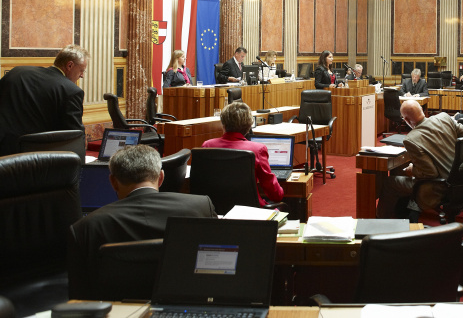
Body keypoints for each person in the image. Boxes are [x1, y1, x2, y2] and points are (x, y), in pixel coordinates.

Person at [68, 145, 217, 299]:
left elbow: (79, 297)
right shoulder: (201, 206)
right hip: (186, 305)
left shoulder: (86, 227)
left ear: (113, 182)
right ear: (161, 177)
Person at [377, 100, 463, 220]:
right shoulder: (444, 117)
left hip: (439, 188)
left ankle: (380, 220)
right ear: (422, 111)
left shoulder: (411, 139)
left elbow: (429, 173)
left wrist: (412, 169)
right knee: (399, 173)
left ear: (406, 120)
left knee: (390, 182)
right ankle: (404, 212)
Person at [0, 44, 89, 155]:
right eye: (82, 70)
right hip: (30, 157)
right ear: (69, 65)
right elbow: (74, 136)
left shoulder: (17, 73)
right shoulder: (71, 91)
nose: (82, 76)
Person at [202, 101, 284, 204]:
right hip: (250, 212)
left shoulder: (207, 146)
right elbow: (275, 194)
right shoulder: (257, 150)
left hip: (214, 210)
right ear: (249, 125)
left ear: (223, 124)